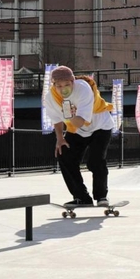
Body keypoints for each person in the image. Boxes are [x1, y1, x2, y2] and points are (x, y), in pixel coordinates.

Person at [43, 66, 115, 207]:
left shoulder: (83, 89)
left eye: (67, 84)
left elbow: (81, 121)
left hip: (100, 126)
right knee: (64, 155)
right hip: (78, 130)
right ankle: (81, 197)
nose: (63, 89)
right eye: (59, 86)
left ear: (73, 81)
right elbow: (56, 120)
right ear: (54, 85)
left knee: (95, 161)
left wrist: (70, 114)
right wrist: (60, 139)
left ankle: (101, 197)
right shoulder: (50, 97)